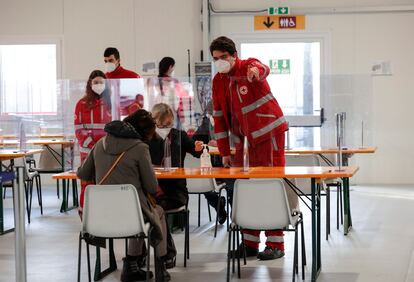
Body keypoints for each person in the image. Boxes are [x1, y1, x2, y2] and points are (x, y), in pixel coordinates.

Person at [210, 36, 290, 260]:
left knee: (270, 186)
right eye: (216, 58)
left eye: (223, 57)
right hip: (243, 143)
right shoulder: (217, 81)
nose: (220, 62)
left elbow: (262, 68)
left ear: (234, 55)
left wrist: (256, 71)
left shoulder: (248, 67)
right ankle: (250, 243)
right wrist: (224, 152)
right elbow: (219, 119)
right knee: (247, 191)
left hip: (268, 134)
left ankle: (276, 244)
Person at [77, 109, 173, 282]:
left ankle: (131, 266)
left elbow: (83, 173)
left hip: (99, 218)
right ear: (143, 134)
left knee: (138, 211)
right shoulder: (140, 148)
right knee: (154, 212)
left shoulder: (100, 144)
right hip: (131, 217)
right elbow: (152, 186)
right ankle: (161, 266)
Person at [74, 70, 112, 215]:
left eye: (101, 82)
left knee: (106, 185)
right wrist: (94, 145)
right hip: (88, 154)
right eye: (95, 82)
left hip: (108, 152)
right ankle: (86, 219)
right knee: (87, 186)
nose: (98, 85)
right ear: (90, 84)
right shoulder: (81, 104)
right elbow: (79, 130)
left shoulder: (110, 103)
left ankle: (105, 216)